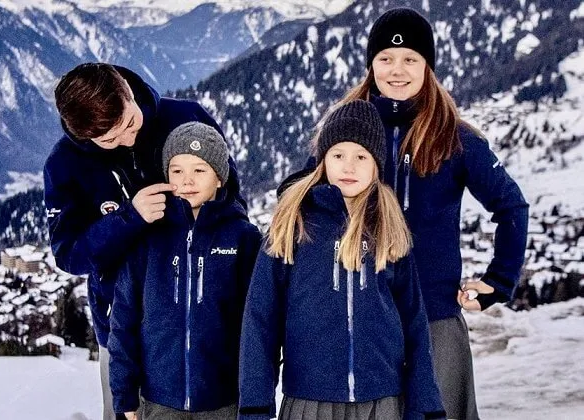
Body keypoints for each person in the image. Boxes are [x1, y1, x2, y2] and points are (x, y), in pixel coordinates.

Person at [295, 7, 528, 419]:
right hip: (366, 316)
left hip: (435, 316)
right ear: (371, 66)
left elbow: (511, 207)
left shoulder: (456, 138)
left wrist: (499, 281)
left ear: (428, 67)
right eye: (385, 58)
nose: (396, 70)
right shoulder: (350, 132)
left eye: (410, 59)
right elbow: (299, 190)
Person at [43, 63, 243, 420]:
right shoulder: (64, 164)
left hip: (205, 319)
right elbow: (68, 254)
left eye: (131, 123)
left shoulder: (184, 118)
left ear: (127, 90)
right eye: (110, 140)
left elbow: (231, 197)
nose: (128, 139)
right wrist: (128, 219)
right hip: (121, 328)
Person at [239, 100, 445, 420]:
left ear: (377, 165)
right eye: (338, 155)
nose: (349, 166)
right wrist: (255, 406)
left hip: (383, 402)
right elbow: (260, 321)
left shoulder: (389, 229)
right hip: (309, 402)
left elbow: (415, 325)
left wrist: (427, 406)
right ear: (323, 161)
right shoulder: (293, 225)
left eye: (361, 156)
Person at [108, 122, 262, 419]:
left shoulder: (244, 239)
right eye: (177, 171)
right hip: (158, 401)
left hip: (224, 403)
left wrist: (255, 399)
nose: (187, 180)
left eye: (200, 170)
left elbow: (259, 326)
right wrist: (125, 395)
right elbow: (124, 320)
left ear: (219, 178)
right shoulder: (147, 237)